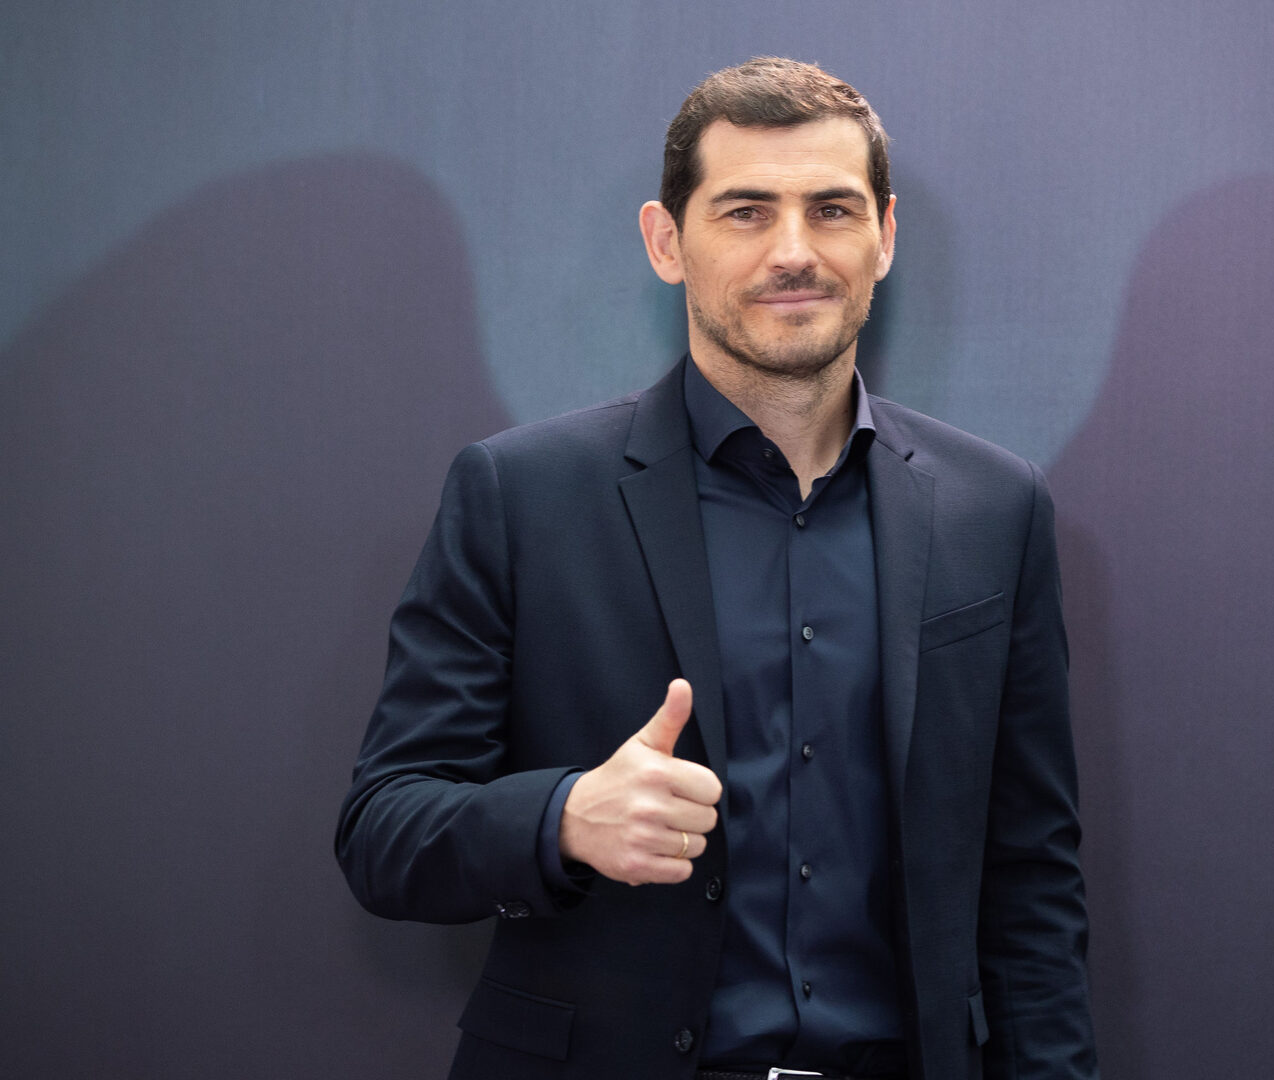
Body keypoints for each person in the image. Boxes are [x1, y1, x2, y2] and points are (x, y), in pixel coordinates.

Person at [336, 56, 1098, 1080]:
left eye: (832, 210)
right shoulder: (520, 494)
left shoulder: (995, 509)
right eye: (746, 212)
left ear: (884, 237)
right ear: (667, 242)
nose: (795, 252)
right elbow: (385, 829)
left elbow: (1031, 880)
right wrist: (563, 819)